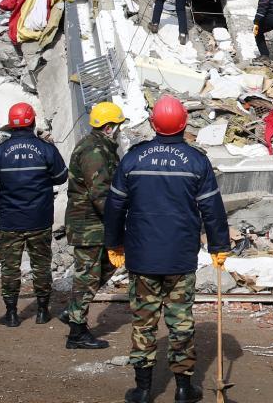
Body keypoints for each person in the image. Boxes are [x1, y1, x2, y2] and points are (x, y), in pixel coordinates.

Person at [104, 96, 230, 403]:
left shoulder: (133, 159)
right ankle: (184, 390)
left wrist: (113, 242)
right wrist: (219, 245)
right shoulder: (196, 161)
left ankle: (144, 390)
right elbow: (212, 209)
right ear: (184, 124)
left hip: (142, 257)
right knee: (181, 322)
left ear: (153, 124)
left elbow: (114, 206)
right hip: (180, 258)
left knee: (144, 324)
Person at [0, 103, 67, 328]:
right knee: (41, 266)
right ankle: (43, 312)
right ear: (33, 123)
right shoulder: (46, 149)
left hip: (10, 222)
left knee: (10, 268)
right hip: (39, 220)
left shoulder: (0, 152)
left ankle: (11, 314)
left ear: (11, 125)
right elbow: (61, 177)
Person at [61, 101, 127, 350]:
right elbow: (101, 195)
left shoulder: (103, 147)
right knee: (86, 277)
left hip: (96, 224)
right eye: (118, 126)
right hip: (88, 225)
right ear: (109, 128)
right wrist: (118, 224)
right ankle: (76, 333)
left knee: (108, 266)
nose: (120, 131)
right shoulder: (94, 152)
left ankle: (73, 311)